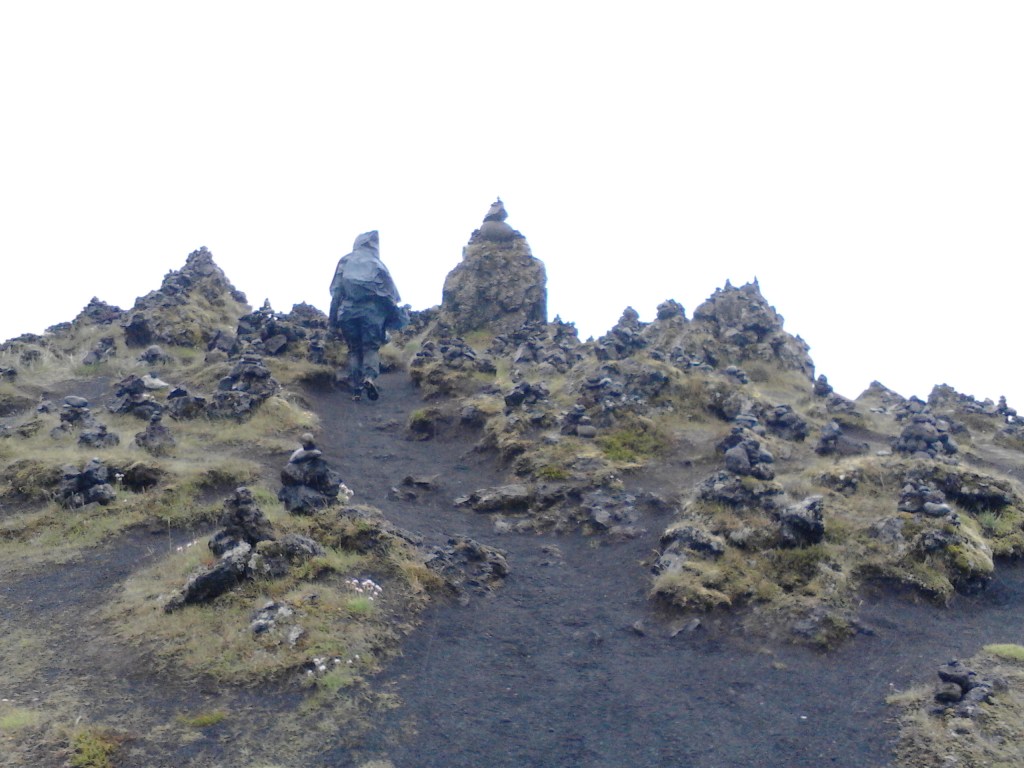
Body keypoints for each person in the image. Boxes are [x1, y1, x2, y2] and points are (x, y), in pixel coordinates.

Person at [328, 230, 408, 400]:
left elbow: (336, 293)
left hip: (347, 313)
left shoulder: (345, 260)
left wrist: (332, 323)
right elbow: (390, 296)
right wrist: (394, 319)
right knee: (370, 348)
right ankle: (369, 378)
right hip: (372, 314)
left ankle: (356, 389)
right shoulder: (378, 264)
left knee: (354, 350)